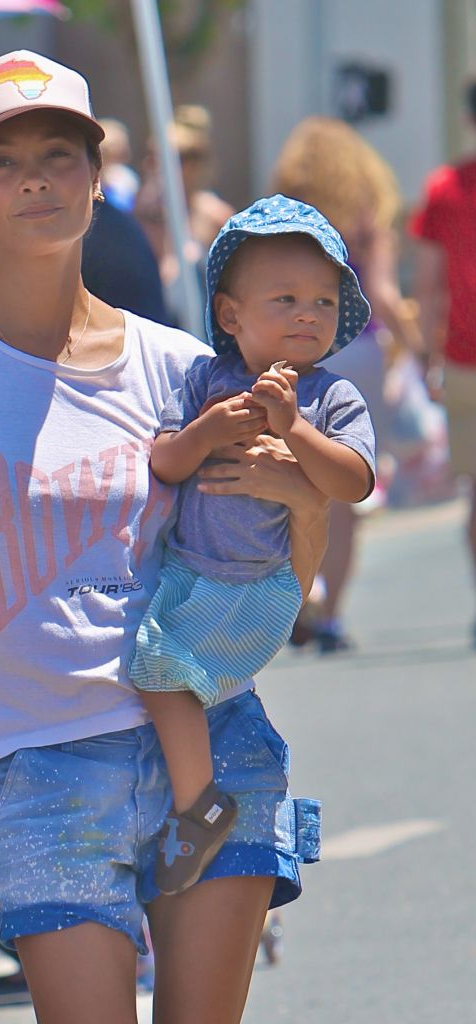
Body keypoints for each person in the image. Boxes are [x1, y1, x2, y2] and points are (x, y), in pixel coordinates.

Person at [0, 50, 326, 1024]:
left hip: (209, 746)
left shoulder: (184, 369)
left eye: (59, 154)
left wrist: (302, 507)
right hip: (40, 768)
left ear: (98, 178)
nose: (35, 180)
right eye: (3, 162)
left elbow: (272, 583)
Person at [129, 195, 375, 895]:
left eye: (324, 301)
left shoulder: (331, 397)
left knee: (160, 676)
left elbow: (353, 482)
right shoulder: (206, 380)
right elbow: (166, 462)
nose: (308, 314)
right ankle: (211, 795)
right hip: (192, 573)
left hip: (262, 583)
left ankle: (200, 804)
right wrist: (207, 430)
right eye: (286, 299)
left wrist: (294, 428)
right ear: (231, 316)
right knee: (165, 680)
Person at [271, 115, 421, 652]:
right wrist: (417, 346)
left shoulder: (287, 216)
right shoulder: (364, 216)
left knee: (292, 478)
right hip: (358, 350)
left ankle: (300, 597)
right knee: (344, 486)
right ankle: (331, 615)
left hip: (294, 348)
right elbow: (381, 292)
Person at [408, 80, 476, 645]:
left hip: (461, 358)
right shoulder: (443, 188)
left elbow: (428, 286)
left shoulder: (446, 187)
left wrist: (426, 357)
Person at [134, 104, 235, 323]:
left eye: (176, 159)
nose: (154, 166)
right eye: (152, 157)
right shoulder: (144, 211)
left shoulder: (215, 217)